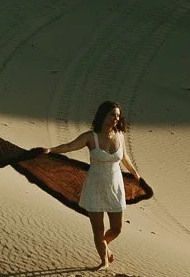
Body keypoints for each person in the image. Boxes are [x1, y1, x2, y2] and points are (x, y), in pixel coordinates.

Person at [48, 100, 136, 268]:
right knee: (98, 230)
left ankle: (105, 247)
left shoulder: (120, 135)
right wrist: (51, 150)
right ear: (103, 115)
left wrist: (135, 174)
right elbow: (69, 146)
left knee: (117, 228)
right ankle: (103, 261)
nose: (115, 118)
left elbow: (124, 158)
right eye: (112, 115)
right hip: (94, 187)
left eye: (118, 116)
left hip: (115, 187)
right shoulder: (90, 137)